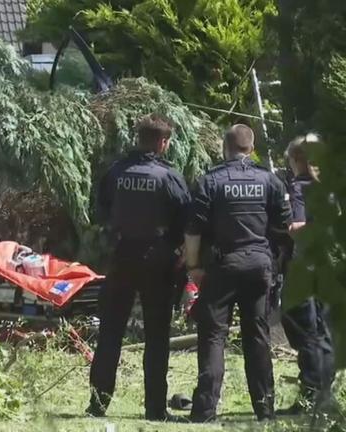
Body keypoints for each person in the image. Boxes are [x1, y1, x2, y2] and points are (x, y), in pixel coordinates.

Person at [184, 124, 292, 422]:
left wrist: (194, 268)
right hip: (259, 267)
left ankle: (205, 411)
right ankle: (265, 409)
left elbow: (193, 231)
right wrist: (275, 264)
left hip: (223, 267)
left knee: (213, 336)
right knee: (257, 337)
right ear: (251, 147)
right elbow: (284, 230)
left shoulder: (210, 181)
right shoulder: (270, 181)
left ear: (225, 147)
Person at [88, 114, 190, 421]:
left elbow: (101, 210)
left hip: (122, 255)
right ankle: (155, 409)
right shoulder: (168, 176)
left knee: (110, 331)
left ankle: (97, 404)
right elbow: (186, 217)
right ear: (162, 142)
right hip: (157, 257)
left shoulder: (116, 171)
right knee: (157, 336)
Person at [278, 133, 335, 415]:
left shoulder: (299, 186)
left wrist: (289, 228)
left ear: (296, 159)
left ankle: (311, 394)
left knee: (306, 330)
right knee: (323, 332)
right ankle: (325, 396)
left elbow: (299, 226)